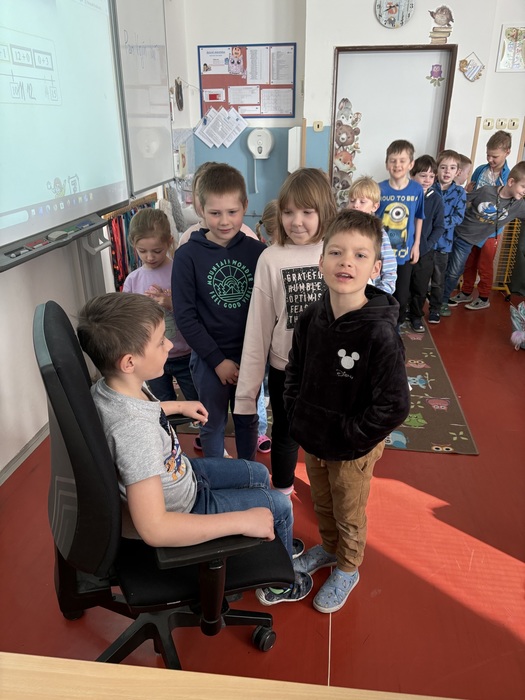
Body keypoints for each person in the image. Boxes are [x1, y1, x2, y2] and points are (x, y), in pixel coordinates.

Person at [76, 292, 313, 604]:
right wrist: (242, 521)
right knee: (280, 506)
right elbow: (155, 528)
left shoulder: (113, 386)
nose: (169, 345)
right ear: (129, 362)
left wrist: (177, 405)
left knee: (257, 472)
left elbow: (137, 411)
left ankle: (273, 537)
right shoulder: (135, 433)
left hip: (182, 476)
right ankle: (280, 584)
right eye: (160, 342)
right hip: (185, 507)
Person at [258, 210, 410, 611]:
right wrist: (298, 414)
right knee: (322, 503)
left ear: (375, 268)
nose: (347, 262)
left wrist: (351, 437)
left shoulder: (379, 332)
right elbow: (294, 370)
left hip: (352, 449)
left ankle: (348, 566)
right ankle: (329, 548)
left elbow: (394, 405)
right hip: (315, 438)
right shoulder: (312, 317)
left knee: (348, 511)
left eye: (360, 255)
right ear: (321, 262)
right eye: (337, 252)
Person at [234, 168, 337, 496]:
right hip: (286, 369)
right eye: (289, 212)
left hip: (332, 368)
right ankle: (282, 493)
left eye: (307, 212)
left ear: (324, 211)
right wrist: (247, 394)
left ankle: (331, 495)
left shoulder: (338, 252)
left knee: (329, 433)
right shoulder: (271, 258)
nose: (297, 221)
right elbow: (259, 327)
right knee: (286, 433)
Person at [171, 163, 265, 461]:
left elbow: (266, 310)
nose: (224, 221)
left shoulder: (258, 253)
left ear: (245, 206)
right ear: (200, 208)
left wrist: (254, 357)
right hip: (208, 359)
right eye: (215, 213)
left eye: (232, 212)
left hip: (250, 357)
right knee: (211, 423)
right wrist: (217, 361)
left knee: (247, 421)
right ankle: (217, 478)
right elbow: (185, 317)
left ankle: (248, 475)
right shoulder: (187, 256)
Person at [123, 208, 198, 403]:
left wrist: (171, 303)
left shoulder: (180, 271)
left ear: (169, 242)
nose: (150, 257)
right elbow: (128, 321)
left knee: (196, 400)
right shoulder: (133, 280)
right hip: (151, 357)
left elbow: (196, 309)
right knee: (161, 404)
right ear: (133, 245)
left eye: (157, 251)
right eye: (142, 251)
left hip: (186, 354)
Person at [440, 161, 525, 317]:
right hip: (453, 232)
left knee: (454, 272)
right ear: (511, 182)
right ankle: (436, 295)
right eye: (524, 187)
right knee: (442, 267)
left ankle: (442, 300)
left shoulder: (519, 206)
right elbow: (462, 199)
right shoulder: (486, 191)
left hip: (467, 242)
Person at [451, 131, 512, 311]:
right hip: (473, 225)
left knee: (485, 264)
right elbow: (472, 193)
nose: (490, 159)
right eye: (488, 155)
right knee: (469, 261)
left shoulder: (509, 176)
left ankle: (484, 296)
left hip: (491, 230)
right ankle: (466, 291)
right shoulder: (480, 170)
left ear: (507, 152)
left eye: (495, 156)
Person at [376, 140, 425, 328]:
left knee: (402, 296)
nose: (397, 165)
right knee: (380, 293)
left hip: (404, 254)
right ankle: (381, 326)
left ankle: (395, 327)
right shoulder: (379, 189)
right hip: (381, 254)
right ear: (386, 164)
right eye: (393, 160)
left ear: (411, 164)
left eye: (402, 161)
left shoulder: (416, 189)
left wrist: (416, 245)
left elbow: (419, 217)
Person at [178, 161, 258, 246]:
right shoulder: (187, 238)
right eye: (199, 194)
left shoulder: (249, 237)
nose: (224, 222)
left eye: (232, 212)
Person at [407, 156, 445, 331]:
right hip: (403, 251)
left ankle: (416, 316)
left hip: (425, 253)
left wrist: (427, 245)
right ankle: (400, 314)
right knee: (402, 286)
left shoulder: (436, 199)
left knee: (420, 287)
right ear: (412, 174)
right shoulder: (405, 195)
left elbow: (439, 226)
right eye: (423, 175)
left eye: (431, 176)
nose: (427, 180)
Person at [430, 150, 466, 323]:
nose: (447, 171)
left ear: (457, 171)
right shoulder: (429, 188)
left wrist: (437, 223)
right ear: (437, 169)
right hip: (425, 243)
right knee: (419, 279)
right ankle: (413, 308)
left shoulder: (460, 193)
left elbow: (458, 217)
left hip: (444, 245)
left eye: (452, 168)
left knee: (438, 280)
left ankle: (435, 309)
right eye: (443, 167)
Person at [346, 176, 397, 294]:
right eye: (352, 200)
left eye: (362, 202)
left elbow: (390, 270)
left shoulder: (380, 234)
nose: (355, 205)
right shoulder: (343, 231)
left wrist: (380, 294)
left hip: (371, 294)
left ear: (375, 206)